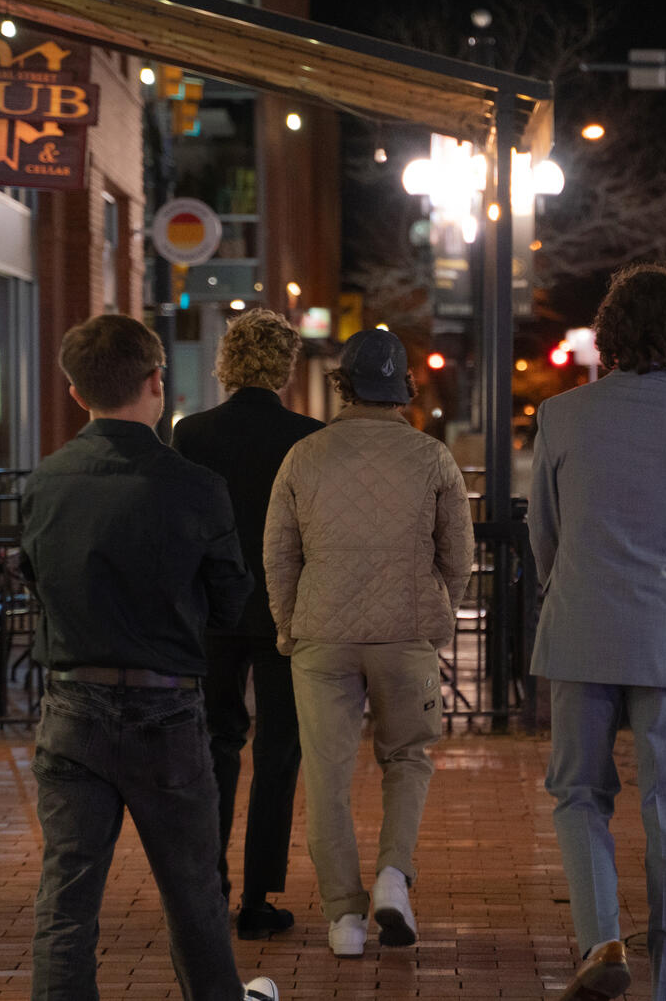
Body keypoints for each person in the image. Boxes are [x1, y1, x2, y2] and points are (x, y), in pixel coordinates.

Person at [19, 314, 277, 1001]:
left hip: (72, 703)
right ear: (156, 381)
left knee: (67, 895)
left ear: (78, 394)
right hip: (166, 704)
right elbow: (229, 603)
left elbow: (36, 581)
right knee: (192, 888)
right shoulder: (193, 485)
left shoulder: (44, 482)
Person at [528, 263, 666, 1001]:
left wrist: (575, 586)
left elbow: (543, 537)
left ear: (611, 332)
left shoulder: (561, 417)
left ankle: (603, 935)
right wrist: (662, 594)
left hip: (580, 627)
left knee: (579, 791)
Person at [263, 328, 473, 960]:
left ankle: (343, 918)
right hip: (404, 633)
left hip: (321, 633)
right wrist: (441, 612)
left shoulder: (304, 455)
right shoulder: (431, 457)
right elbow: (457, 552)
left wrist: (286, 625)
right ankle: (392, 875)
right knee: (407, 757)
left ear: (343, 386)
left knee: (326, 775)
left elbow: (279, 553)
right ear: (403, 387)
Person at [172, 309, 324, 940]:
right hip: (286, 611)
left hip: (213, 613)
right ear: (286, 366)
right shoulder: (308, 437)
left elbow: (182, 529)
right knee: (279, 750)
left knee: (214, 746)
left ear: (227, 361)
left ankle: (209, 883)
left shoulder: (193, 434)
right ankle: (259, 897)